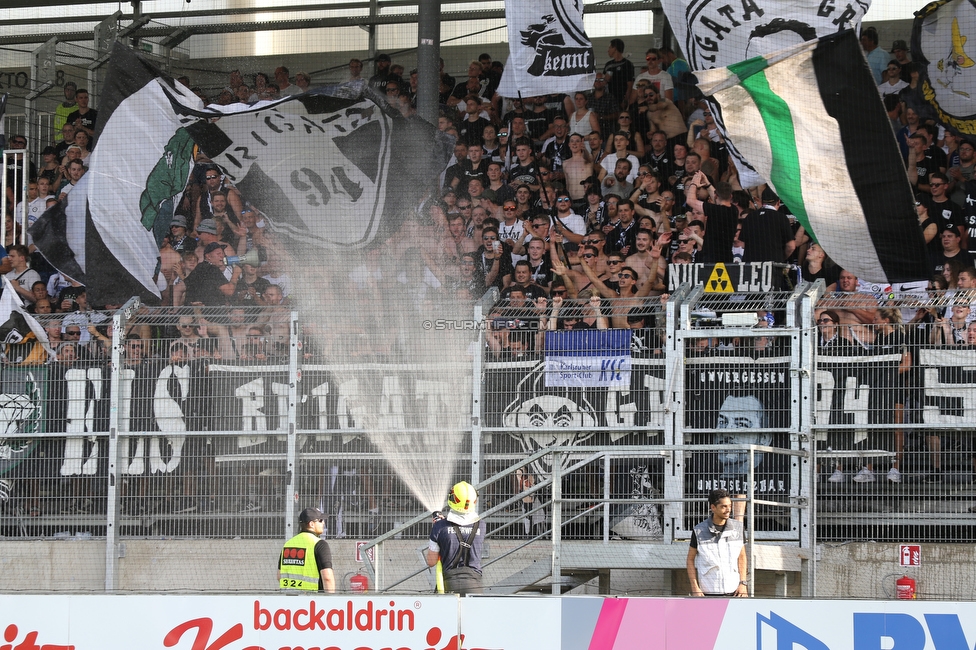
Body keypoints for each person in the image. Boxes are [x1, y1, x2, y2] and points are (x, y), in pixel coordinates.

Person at [686, 488, 749, 597]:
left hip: (735, 592)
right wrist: (695, 587)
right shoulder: (698, 531)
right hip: (708, 592)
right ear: (713, 507)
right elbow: (690, 559)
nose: (728, 509)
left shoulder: (738, 528)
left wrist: (743, 583)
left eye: (729, 506)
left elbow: (742, 557)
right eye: (724, 506)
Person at [426, 481, 484, 595]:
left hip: (448, 585)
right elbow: (462, 525)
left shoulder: (440, 527)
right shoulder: (481, 525)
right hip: (474, 586)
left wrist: (439, 524)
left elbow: (431, 561)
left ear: (452, 499)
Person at [278, 506, 335, 592]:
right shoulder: (319, 544)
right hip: (311, 600)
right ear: (311, 524)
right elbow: (327, 578)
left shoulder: (288, 544)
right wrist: (330, 602)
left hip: (287, 599)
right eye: (320, 520)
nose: (323, 523)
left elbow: (279, 576)